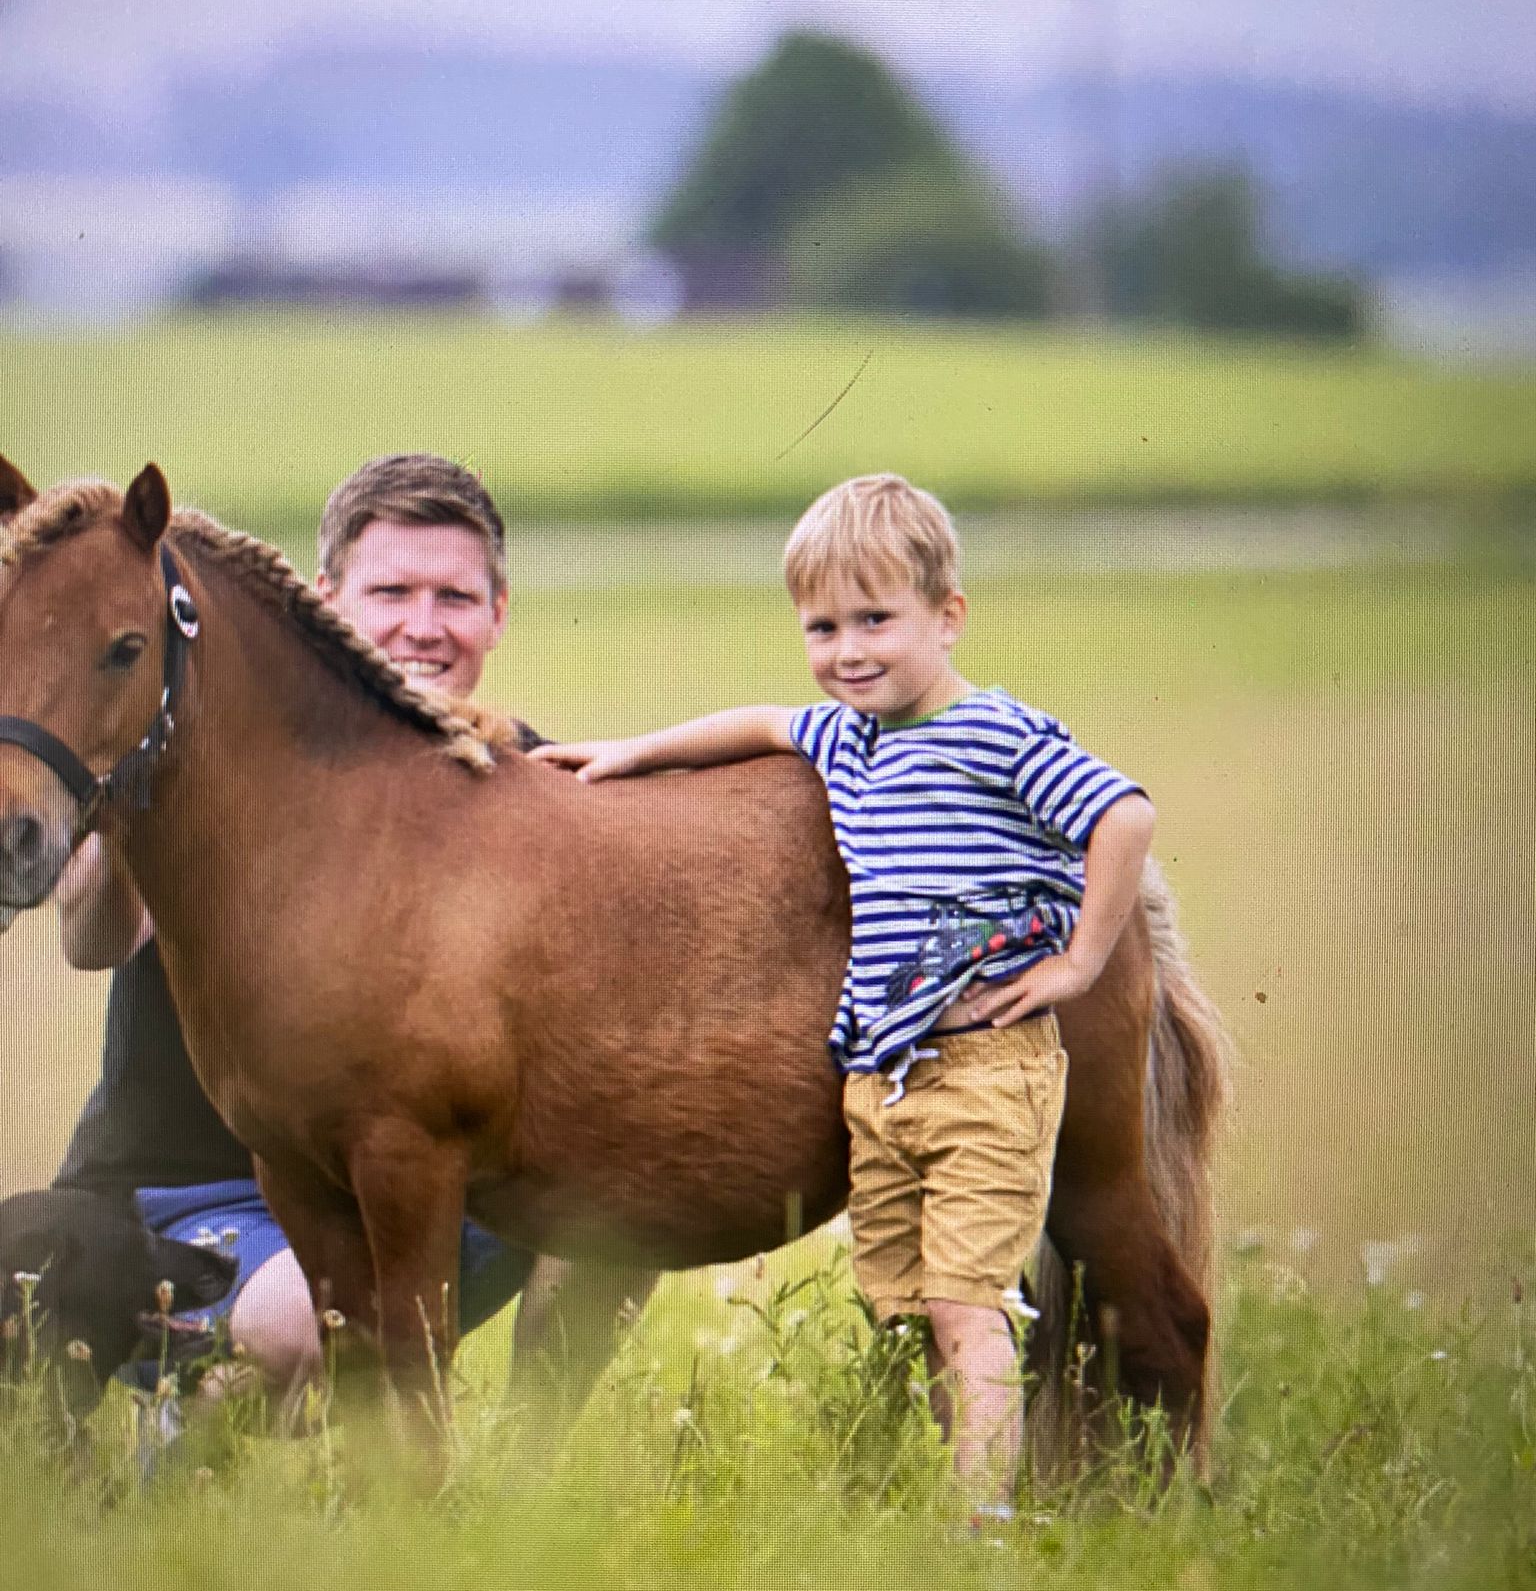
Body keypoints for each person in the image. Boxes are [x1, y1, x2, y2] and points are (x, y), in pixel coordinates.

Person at [531, 473, 1156, 1520]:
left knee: (966, 1307)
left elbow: (1124, 814)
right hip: (882, 1080)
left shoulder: (997, 732)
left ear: (947, 618)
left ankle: (981, 1532)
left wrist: (1082, 962)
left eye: (877, 619)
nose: (849, 650)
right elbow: (760, 723)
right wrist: (633, 751)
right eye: (823, 626)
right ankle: (950, 1489)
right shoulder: (846, 735)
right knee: (907, 1311)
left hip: (983, 1073)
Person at [50, 454, 538, 1411]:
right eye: (390, 591)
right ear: (323, 600)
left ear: (498, 611)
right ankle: (192, 1436)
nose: (423, 626)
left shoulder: (526, 778)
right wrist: (125, 822)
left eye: (454, 596)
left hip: (393, 1196)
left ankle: (529, 1491)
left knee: (622, 1213)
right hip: (185, 1207)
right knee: (313, 1325)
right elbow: (91, 941)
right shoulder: (223, 762)